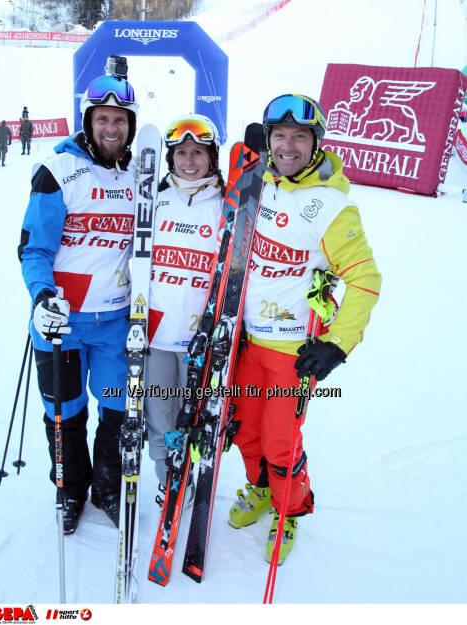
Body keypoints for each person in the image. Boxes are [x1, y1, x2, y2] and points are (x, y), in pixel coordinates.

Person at [228, 94, 381, 564]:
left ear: (316, 144)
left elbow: (366, 280)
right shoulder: (260, 183)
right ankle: (259, 488)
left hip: (293, 351)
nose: (288, 146)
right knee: (242, 430)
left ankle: (288, 508)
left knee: (280, 440)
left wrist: (337, 345)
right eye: (279, 136)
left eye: (299, 136)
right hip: (247, 342)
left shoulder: (333, 206)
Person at [17, 73, 138, 534]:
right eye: (103, 118)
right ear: (89, 121)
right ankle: (70, 488)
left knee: (114, 409)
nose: (112, 128)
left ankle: (107, 487)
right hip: (62, 324)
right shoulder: (57, 170)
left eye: (120, 119)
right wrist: (42, 296)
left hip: (115, 325)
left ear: (130, 124)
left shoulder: (141, 175)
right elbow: (35, 249)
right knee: (64, 414)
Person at [145, 114, 225, 498]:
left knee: (194, 415)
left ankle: (189, 471)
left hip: (201, 336)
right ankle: (167, 479)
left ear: (212, 158)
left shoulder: (227, 208)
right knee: (159, 413)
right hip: (158, 333)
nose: (188, 160)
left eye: (197, 152)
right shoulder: (155, 202)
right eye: (180, 153)